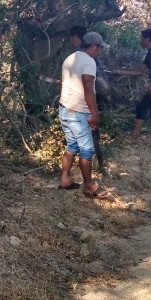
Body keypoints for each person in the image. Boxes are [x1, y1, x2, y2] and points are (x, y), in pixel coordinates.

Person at [58, 31, 111, 199]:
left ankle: (65, 180)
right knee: (87, 149)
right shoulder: (89, 62)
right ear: (93, 46)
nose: (100, 52)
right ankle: (89, 186)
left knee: (71, 146)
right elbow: (88, 88)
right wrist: (94, 114)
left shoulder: (70, 58)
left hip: (64, 109)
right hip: (78, 112)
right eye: (99, 48)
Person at [115, 28, 151, 157]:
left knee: (141, 107)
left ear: (147, 38)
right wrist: (121, 72)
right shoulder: (149, 54)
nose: (140, 40)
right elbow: (139, 72)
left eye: (142, 38)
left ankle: (134, 138)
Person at [68, 25, 109, 175]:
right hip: (86, 104)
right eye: (100, 48)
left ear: (76, 38)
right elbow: (103, 87)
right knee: (87, 139)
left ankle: (91, 174)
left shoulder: (82, 59)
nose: (100, 51)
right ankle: (98, 167)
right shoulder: (90, 59)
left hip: (83, 104)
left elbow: (89, 86)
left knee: (84, 142)